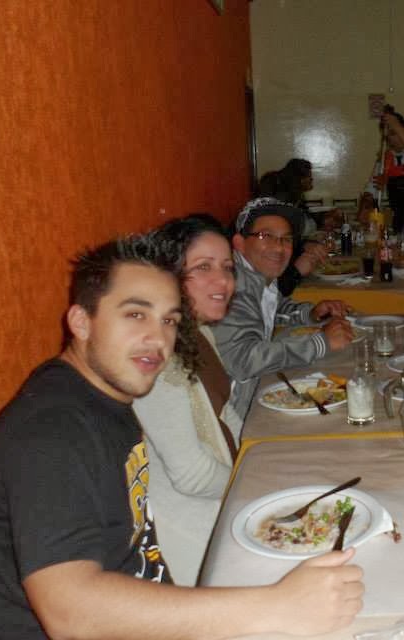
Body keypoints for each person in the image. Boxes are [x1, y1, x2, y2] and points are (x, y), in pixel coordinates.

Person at [0, 234, 364, 639]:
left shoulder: (108, 399)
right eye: (136, 314)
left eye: (169, 320)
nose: (157, 340)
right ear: (81, 321)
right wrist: (274, 606)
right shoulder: (51, 431)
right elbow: (70, 615)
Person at [132, 214, 240, 586]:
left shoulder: (198, 334)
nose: (223, 281)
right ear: (170, 276)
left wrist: (263, 462)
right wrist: (251, 487)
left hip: (223, 504)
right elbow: (192, 476)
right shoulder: (158, 357)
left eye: (227, 267)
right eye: (203, 267)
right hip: (194, 543)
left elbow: (228, 415)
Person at [212, 197, 353, 420]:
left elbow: (272, 309)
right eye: (266, 236)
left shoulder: (257, 275)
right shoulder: (233, 286)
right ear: (239, 243)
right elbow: (244, 359)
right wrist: (319, 343)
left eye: (286, 239)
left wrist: (311, 313)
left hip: (250, 396)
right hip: (230, 416)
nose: (279, 247)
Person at [257, 159, 329, 297]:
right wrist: (296, 272)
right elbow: (268, 294)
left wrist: (304, 245)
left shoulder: (265, 227)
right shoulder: (255, 240)